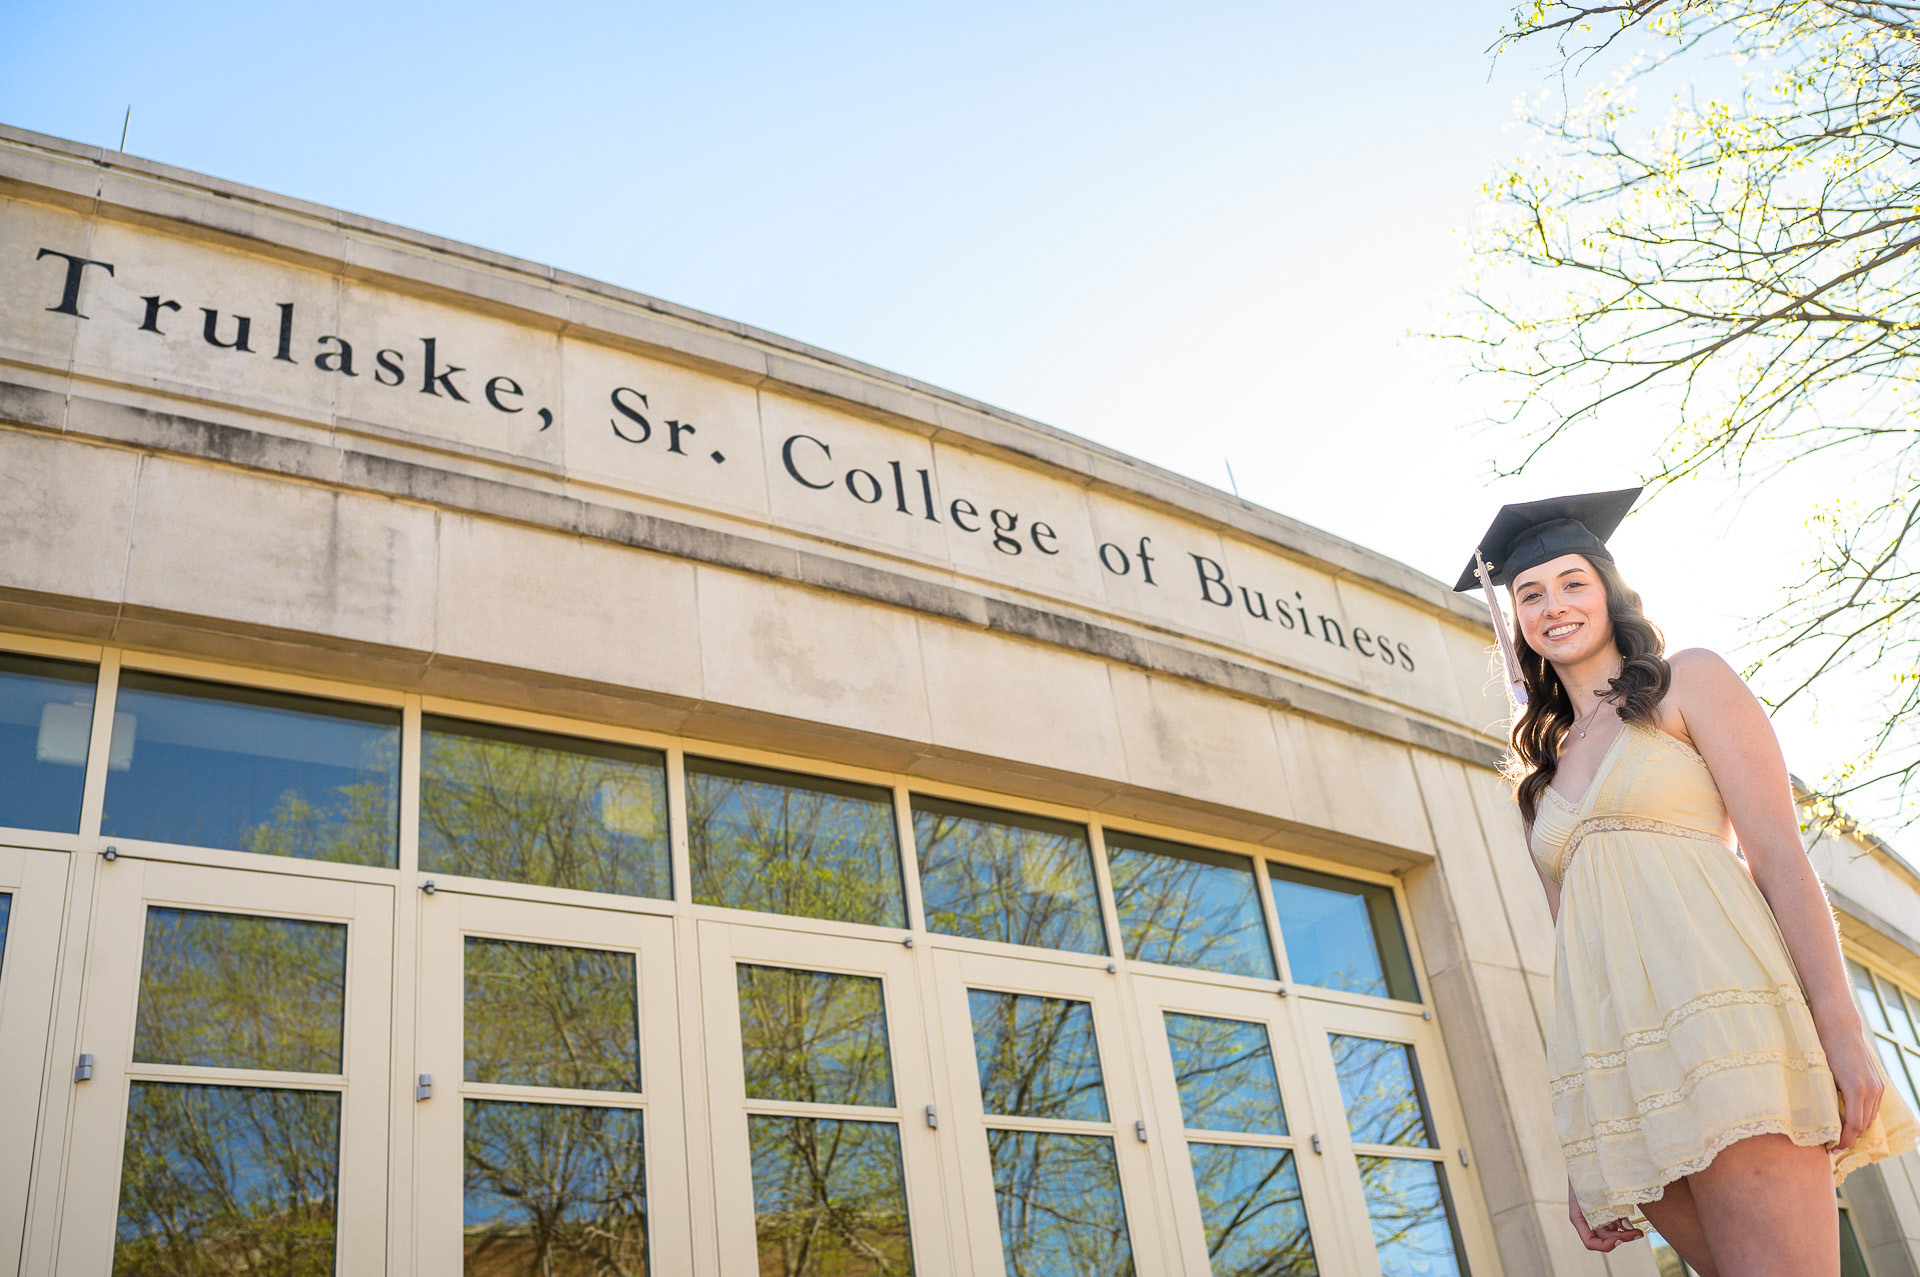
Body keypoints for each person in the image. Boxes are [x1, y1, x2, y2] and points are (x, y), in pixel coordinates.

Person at [1458, 489, 1920, 1277]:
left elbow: (1779, 856)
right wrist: (1584, 1141)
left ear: (1608, 588)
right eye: (1528, 595)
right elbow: (1572, 948)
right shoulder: (1539, 779)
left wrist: (1840, 1022)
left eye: (1572, 582)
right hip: (1629, 1070)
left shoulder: (1686, 684)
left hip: (1727, 1028)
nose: (1552, 605)